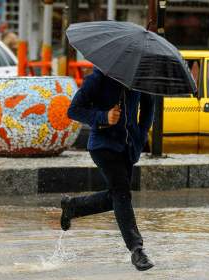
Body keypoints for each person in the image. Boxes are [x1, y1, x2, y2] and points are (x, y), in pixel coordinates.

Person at [62, 67, 155, 271]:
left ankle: (74, 207)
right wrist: (104, 117)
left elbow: (148, 106)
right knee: (122, 193)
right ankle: (136, 250)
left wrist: (140, 136)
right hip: (103, 146)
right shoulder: (98, 77)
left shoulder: (139, 76)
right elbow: (74, 109)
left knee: (117, 195)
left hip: (128, 147)